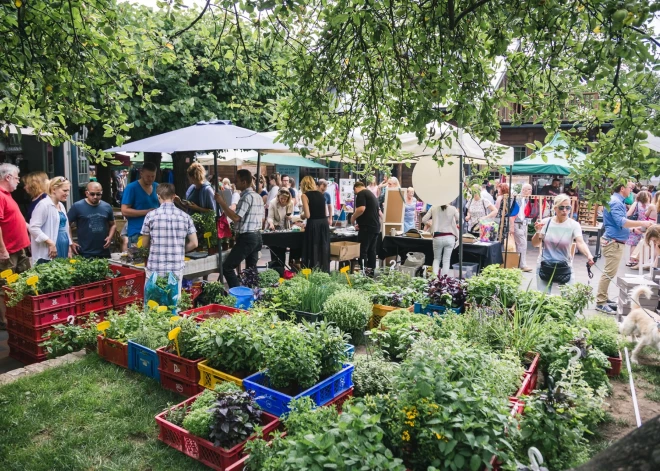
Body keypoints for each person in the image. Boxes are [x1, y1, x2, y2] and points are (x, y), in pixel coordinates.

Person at [595, 182, 654, 314]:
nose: (631, 191)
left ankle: (603, 298)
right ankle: (600, 302)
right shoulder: (616, 202)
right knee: (608, 273)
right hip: (613, 242)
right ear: (622, 189)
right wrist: (642, 223)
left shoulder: (616, 200)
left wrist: (633, 229)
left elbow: (618, 223)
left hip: (614, 241)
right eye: (630, 188)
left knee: (609, 273)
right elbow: (622, 221)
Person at [141, 183, 198, 298]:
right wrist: (180, 249)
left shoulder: (150, 216)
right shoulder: (185, 217)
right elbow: (194, 243)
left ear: (158, 196)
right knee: (173, 304)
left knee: (153, 303)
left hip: (155, 269)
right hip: (176, 269)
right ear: (174, 197)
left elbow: (144, 244)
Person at [531, 194, 594, 293]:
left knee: (568, 298)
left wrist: (589, 255)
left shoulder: (573, 225)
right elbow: (535, 244)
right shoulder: (546, 222)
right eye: (561, 207)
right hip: (545, 264)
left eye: (568, 207)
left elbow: (580, 242)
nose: (565, 210)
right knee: (542, 299)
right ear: (555, 208)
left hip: (564, 265)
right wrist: (538, 231)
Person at [215, 169, 264, 287]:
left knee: (227, 267)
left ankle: (238, 295)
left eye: (236, 181)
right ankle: (252, 295)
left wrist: (222, 203)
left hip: (248, 237)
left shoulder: (246, 197)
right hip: (257, 236)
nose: (235, 183)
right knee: (251, 271)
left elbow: (236, 217)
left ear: (244, 182)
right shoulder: (257, 196)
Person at [0, 163, 31, 330]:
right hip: (9, 250)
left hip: (19, 248)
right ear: (8, 177)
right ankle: (6, 320)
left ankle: (18, 315)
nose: (19, 181)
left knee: (20, 282)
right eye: (17, 177)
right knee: (4, 286)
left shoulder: (8, 195)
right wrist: (2, 249)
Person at [29, 176, 73, 262]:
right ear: (53, 189)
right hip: (51, 248)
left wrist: (69, 247)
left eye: (68, 190)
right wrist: (50, 243)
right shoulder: (43, 205)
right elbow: (33, 228)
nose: (67, 193)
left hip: (63, 246)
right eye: (64, 190)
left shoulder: (61, 205)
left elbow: (66, 228)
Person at [68, 182, 116, 258]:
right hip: (85, 251)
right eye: (92, 194)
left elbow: (113, 224)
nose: (95, 197)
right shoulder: (77, 206)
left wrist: (110, 237)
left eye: (98, 194)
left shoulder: (107, 206)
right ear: (86, 193)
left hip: (104, 250)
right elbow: (67, 224)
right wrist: (71, 242)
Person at [121, 162, 159, 247]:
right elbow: (124, 211)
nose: (150, 179)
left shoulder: (157, 187)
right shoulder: (131, 188)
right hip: (137, 232)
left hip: (155, 232)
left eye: (153, 176)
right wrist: (147, 212)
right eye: (148, 176)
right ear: (141, 173)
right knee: (138, 259)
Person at [300, 176, 330, 272]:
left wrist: (301, 216)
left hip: (314, 224)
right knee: (322, 248)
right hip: (324, 223)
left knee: (313, 247)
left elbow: (308, 215)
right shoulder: (321, 194)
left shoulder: (304, 195)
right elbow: (325, 212)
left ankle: (312, 270)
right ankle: (323, 270)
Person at [422, 203, 459, 276]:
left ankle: (434, 279)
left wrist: (431, 225)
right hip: (450, 237)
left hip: (437, 237)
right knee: (446, 260)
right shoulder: (453, 208)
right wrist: (454, 223)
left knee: (436, 259)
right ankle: (444, 280)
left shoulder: (433, 207)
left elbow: (423, 220)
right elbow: (462, 220)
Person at [351, 181, 381, 272]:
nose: (355, 194)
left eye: (354, 192)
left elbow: (361, 209)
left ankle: (363, 271)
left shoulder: (361, 193)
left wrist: (353, 218)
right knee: (371, 250)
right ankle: (371, 271)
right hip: (375, 226)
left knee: (362, 250)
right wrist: (360, 222)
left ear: (356, 188)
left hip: (367, 227)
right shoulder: (371, 195)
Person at [266, 189, 296, 270]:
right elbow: (270, 217)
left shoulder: (291, 203)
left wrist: (290, 217)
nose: (283, 201)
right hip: (275, 228)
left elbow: (291, 214)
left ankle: (281, 269)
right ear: (278, 197)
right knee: (275, 251)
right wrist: (271, 224)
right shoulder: (273, 203)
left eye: (285, 199)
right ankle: (275, 268)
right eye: (281, 198)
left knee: (283, 250)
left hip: (285, 228)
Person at [625, 190, 652, 267]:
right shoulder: (649, 206)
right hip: (646, 225)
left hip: (636, 225)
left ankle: (631, 260)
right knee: (642, 243)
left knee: (634, 243)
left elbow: (628, 214)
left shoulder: (636, 204)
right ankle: (639, 260)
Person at [512, 184, 533, 272]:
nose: (530, 191)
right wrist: (512, 226)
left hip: (523, 223)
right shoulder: (518, 198)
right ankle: (522, 265)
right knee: (522, 243)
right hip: (517, 223)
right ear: (523, 190)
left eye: (531, 189)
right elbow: (512, 213)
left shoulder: (527, 199)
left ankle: (519, 263)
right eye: (528, 189)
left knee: (521, 244)